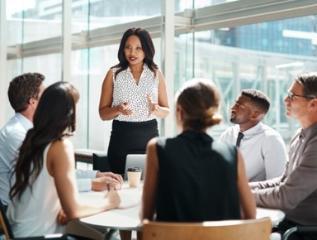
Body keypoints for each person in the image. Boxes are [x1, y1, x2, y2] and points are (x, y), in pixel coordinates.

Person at [7, 82, 120, 238]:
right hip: (40, 237)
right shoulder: (59, 146)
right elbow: (73, 211)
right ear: (69, 112)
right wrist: (110, 203)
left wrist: (60, 207)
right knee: (111, 235)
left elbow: (40, 189)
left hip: (20, 233)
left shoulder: (31, 140)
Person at [142, 79, 255, 222]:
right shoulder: (233, 153)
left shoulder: (157, 148)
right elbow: (250, 215)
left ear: (180, 112)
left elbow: (146, 218)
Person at [251, 73, 317, 240]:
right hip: (287, 222)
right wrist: (244, 187)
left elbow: (286, 197)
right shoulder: (299, 135)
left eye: (292, 96)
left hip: (303, 231)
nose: (285, 100)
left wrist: (241, 194)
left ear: (313, 103)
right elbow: (283, 180)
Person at [99, 27, 169, 175]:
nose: (132, 53)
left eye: (138, 48)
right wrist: (118, 109)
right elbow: (103, 114)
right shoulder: (113, 74)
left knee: (149, 190)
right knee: (119, 187)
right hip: (121, 140)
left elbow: (166, 110)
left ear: (146, 49)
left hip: (149, 139)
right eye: (128, 48)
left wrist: (156, 109)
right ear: (122, 49)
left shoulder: (156, 74)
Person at [220, 89, 287, 181]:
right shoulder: (228, 134)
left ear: (255, 115)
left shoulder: (271, 140)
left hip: (254, 194)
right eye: (235, 103)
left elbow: (277, 182)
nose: (233, 108)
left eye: (240, 106)